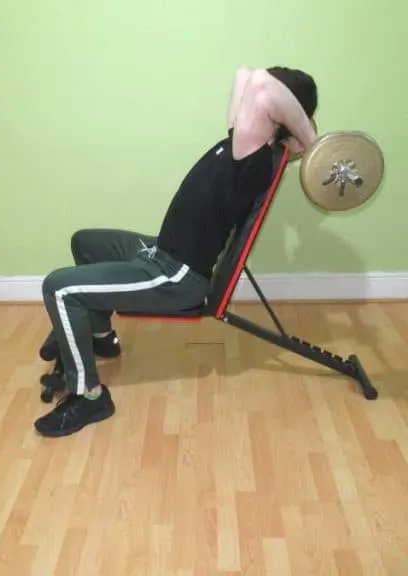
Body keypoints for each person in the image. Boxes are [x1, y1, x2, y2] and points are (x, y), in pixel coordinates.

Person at [34, 66, 318, 438]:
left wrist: (314, 141)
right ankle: (100, 335)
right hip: (160, 250)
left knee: (59, 288)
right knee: (85, 242)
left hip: (176, 274)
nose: (250, 98)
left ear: (276, 114)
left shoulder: (252, 160)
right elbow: (246, 74)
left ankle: (89, 397)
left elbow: (262, 85)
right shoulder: (243, 144)